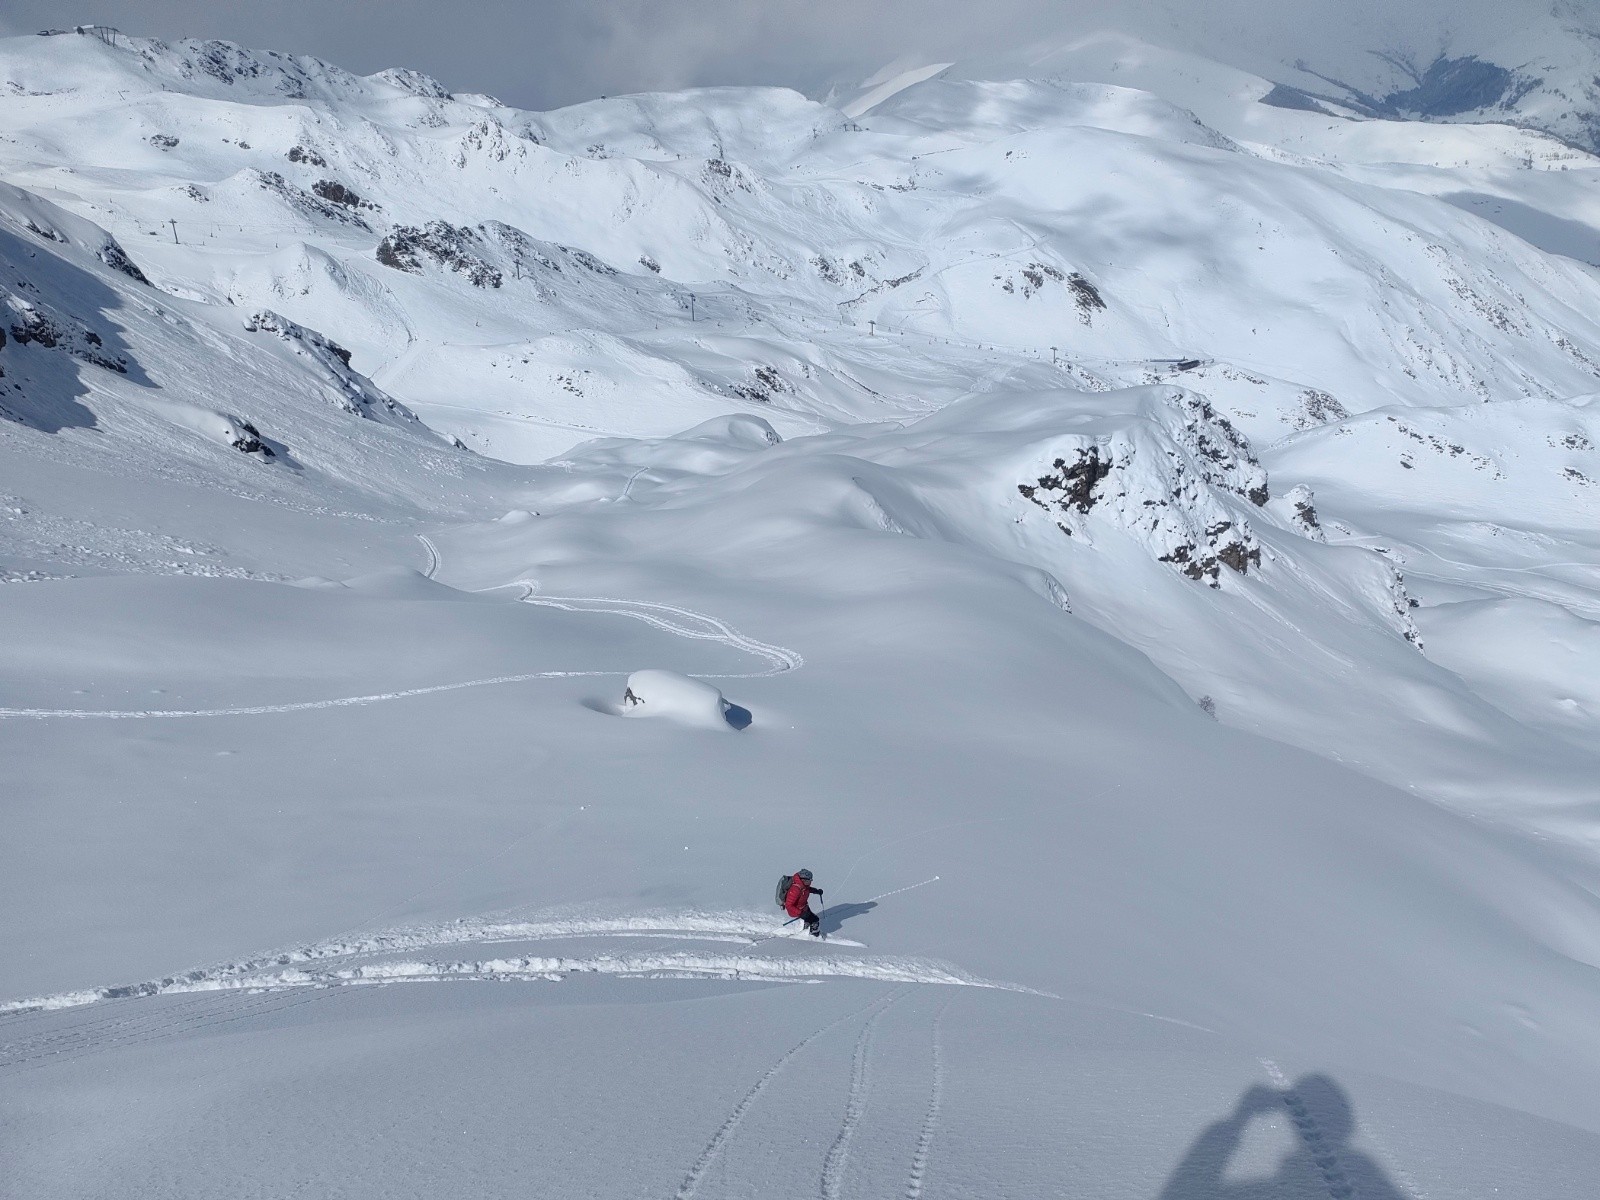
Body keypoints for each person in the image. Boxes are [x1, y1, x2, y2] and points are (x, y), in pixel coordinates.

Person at [783, 868, 824, 936]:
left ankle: (805, 931)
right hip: (797, 911)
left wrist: (816, 891)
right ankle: (814, 936)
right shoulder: (795, 889)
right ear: (803, 879)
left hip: (804, 908)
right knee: (815, 919)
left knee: (809, 918)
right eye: (810, 880)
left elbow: (807, 889)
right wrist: (801, 913)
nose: (811, 882)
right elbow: (788, 905)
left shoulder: (804, 886)